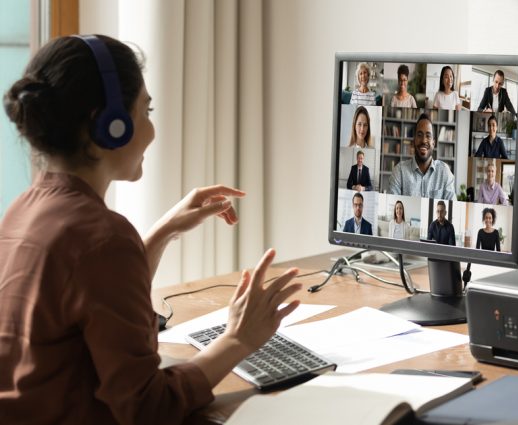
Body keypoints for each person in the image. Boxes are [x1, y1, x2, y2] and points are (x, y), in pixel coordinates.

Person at [0, 35, 303, 424]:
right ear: (110, 125)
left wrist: (162, 233)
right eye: (146, 110)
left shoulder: (22, 210)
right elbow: (148, 408)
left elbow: (87, 296)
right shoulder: (101, 239)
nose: (152, 129)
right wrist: (238, 339)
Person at [388, 113, 456, 200]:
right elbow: (393, 207)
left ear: (433, 143)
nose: (424, 140)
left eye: (428, 136)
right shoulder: (399, 171)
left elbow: (452, 207)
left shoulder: (444, 172)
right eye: (419, 135)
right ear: (414, 141)